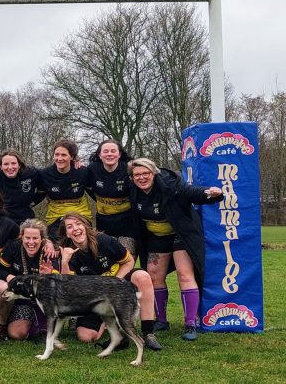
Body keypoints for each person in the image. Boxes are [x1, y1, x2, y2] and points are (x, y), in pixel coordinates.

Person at [128, 157, 223, 341]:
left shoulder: (172, 183)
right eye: (137, 175)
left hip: (181, 233)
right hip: (156, 237)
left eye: (145, 173)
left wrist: (210, 193)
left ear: (153, 173)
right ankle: (161, 321)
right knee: (154, 276)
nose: (141, 178)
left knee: (184, 274)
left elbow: (192, 192)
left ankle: (190, 323)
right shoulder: (132, 190)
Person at [59, 212, 162, 351]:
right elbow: (68, 286)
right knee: (85, 336)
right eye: (69, 227)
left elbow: (128, 261)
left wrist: (113, 284)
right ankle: (108, 320)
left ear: (86, 226)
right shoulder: (67, 252)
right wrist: (65, 262)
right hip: (93, 298)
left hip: (116, 283)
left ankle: (148, 333)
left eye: (78, 224)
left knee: (143, 277)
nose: (75, 228)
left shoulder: (103, 240)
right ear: (67, 233)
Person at [0, 219, 58, 341]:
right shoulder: (14, 246)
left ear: (42, 239)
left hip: (41, 300)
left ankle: (40, 327)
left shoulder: (48, 252)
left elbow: (59, 284)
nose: (31, 242)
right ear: (22, 237)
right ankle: (3, 325)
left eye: (35, 238)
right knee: (16, 334)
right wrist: (14, 279)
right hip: (20, 298)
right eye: (27, 238)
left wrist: (45, 277)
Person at [87, 139, 136, 255]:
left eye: (113, 151)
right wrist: (74, 161)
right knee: (108, 259)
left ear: (119, 154)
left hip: (128, 223)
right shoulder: (92, 169)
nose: (109, 154)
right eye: (106, 151)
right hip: (104, 222)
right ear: (99, 155)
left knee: (126, 257)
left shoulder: (129, 168)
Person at [37, 139, 91, 243]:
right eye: (56, 154)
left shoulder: (82, 172)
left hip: (81, 214)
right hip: (55, 217)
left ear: (72, 157)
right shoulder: (44, 174)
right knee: (57, 246)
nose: (59, 158)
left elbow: (95, 191)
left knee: (83, 243)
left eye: (63, 155)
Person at [0, 149, 42, 226]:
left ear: (19, 165)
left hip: (25, 222)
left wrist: (33, 202)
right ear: (1, 166)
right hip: (1, 222)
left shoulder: (31, 173)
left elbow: (44, 186)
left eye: (13, 163)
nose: (10, 167)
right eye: (6, 164)